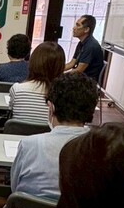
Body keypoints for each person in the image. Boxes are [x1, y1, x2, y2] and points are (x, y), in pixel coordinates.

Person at [10, 72, 97, 201]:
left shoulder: (29, 145)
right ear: (92, 110)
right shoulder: (102, 149)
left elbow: (15, 187)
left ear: (51, 108)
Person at [8, 42, 66, 125]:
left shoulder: (17, 89)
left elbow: (10, 110)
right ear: (61, 66)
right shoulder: (64, 94)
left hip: (19, 133)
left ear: (33, 62)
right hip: (51, 133)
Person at [64, 14, 105, 82]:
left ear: (86, 29)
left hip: (87, 82)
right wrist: (56, 70)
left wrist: (60, 76)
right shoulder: (81, 43)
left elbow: (78, 71)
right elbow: (71, 64)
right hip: (80, 78)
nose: (74, 28)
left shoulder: (91, 46)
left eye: (78, 25)